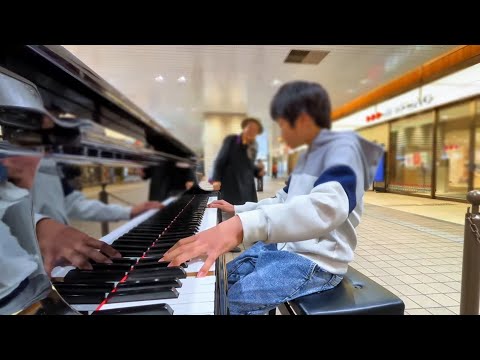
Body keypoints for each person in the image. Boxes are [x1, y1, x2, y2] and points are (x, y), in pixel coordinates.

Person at [162, 80, 384, 315]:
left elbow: (324, 210)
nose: (282, 134)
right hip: (286, 246)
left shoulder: (346, 151)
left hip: (317, 262)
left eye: (282, 125)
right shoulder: (308, 158)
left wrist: (240, 228)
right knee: (224, 280)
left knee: (231, 304)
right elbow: (283, 200)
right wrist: (239, 210)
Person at [210, 117, 263, 205]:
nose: (252, 131)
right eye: (250, 127)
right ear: (244, 128)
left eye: (255, 130)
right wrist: (216, 179)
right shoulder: (232, 139)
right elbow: (220, 159)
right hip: (232, 182)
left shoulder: (253, 146)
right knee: (230, 209)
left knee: (247, 210)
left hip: (248, 185)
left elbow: (250, 165)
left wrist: (257, 172)